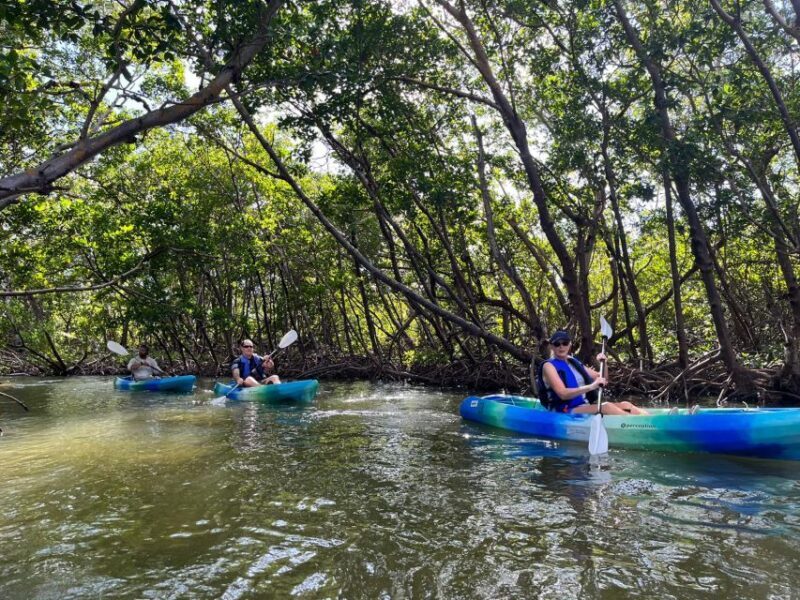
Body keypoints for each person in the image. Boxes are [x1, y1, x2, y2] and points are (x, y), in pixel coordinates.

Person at [538, 329, 648, 415]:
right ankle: (640, 426)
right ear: (551, 346)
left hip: (582, 406)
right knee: (606, 407)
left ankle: (648, 419)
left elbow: (602, 378)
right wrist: (591, 386)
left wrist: (604, 363)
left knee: (626, 404)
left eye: (565, 343)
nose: (561, 346)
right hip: (563, 411)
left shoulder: (572, 361)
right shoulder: (549, 366)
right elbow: (563, 394)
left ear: (570, 344)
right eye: (557, 344)